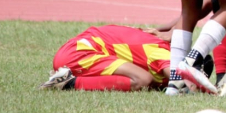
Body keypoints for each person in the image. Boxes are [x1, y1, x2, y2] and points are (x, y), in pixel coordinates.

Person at [39, 25, 175, 91]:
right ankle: (69, 83)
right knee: (142, 80)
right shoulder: (162, 51)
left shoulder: (156, 38)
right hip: (78, 55)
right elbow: (178, 79)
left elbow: (184, 15)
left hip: (74, 50)